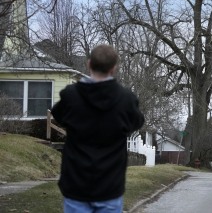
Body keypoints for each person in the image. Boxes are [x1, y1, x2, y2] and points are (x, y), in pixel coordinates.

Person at [51, 44, 145, 213]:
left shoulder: (71, 96)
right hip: (110, 186)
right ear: (114, 68)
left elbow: (58, 115)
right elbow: (136, 122)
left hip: (75, 184)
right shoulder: (126, 100)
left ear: (89, 64)